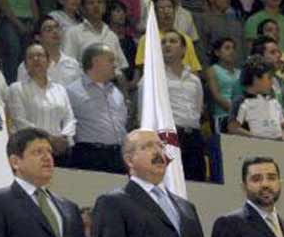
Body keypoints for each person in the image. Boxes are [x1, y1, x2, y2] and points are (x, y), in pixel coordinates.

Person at [91, 129, 219, 237]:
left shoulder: (186, 207)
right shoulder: (113, 203)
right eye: (148, 146)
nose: (158, 152)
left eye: (160, 146)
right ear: (129, 160)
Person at [141, 30, 206, 180]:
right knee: (168, 181)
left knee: (198, 183)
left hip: (193, 137)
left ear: (183, 49)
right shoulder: (152, 76)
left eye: (172, 41)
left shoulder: (194, 80)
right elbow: (144, 111)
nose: (167, 45)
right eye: (163, 42)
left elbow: (198, 108)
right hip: (166, 137)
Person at [7, 43, 76, 161]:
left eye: (40, 55)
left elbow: (69, 118)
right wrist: (48, 139)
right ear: (25, 65)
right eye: (30, 57)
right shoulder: (16, 89)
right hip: (30, 150)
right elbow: (20, 121)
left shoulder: (60, 89)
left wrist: (64, 137)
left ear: (48, 62)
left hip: (60, 150)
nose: (36, 59)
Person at [66, 44, 128, 173]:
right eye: (111, 60)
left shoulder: (116, 92)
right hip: (89, 156)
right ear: (96, 61)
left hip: (118, 156)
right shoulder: (72, 92)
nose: (115, 65)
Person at [62, 0, 128, 73]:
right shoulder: (73, 33)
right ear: (83, 8)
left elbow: (121, 65)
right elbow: (67, 65)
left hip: (113, 79)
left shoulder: (112, 35)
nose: (96, 6)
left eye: (99, 2)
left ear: (104, 8)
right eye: (91, 3)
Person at [227, 56, 284, 141]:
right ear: (256, 79)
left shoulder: (272, 101)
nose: (272, 82)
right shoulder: (240, 102)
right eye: (269, 78)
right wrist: (260, 139)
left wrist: (283, 140)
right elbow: (233, 128)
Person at [17, 16, 81, 87]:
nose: (55, 31)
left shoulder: (73, 63)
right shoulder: (28, 65)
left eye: (57, 28)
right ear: (38, 37)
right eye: (49, 30)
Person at [194, 0, 244, 67]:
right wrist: (208, 70)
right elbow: (201, 50)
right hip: (215, 69)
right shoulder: (202, 20)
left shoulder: (236, 21)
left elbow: (243, 49)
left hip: (238, 69)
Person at [206, 37, 240, 132]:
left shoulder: (240, 72)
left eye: (233, 48)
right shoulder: (213, 70)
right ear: (217, 53)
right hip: (223, 117)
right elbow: (216, 95)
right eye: (227, 48)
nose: (231, 51)